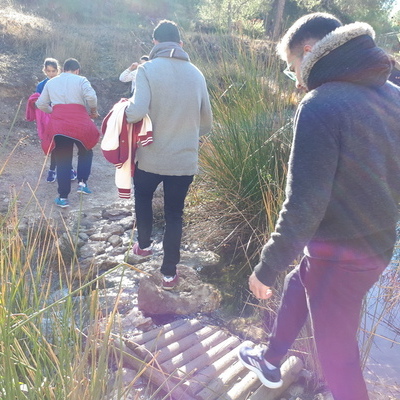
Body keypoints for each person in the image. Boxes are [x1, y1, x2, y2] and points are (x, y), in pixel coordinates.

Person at [237, 12, 400, 400]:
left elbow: (304, 205)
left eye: (292, 66)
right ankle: (271, 360)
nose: (294, 78)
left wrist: (266, 266)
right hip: (377, 248)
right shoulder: (392, 94)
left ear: (309, 51)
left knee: (336, 357)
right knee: (301, 279)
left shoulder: (319, 104)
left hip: (339, 258)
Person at [125, 20, 213, 290]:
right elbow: (207, 124)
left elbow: (136, 111)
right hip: (184, 160)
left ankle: (143, 245)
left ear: (154, 43)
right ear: (181, 44)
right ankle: (169, 274)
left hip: (151, 156)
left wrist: (123, 111)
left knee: (143, 195)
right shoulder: (197, 74)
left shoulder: (147, 69)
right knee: (175, 214)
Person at [36, 58, 100, 208]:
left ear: (63, 69)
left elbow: (40, 104)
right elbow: (91, 97)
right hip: (80, 122)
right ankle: (82, 184)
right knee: (86, 151)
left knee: (63, 160)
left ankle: (63, 197)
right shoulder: (81, 79)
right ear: (77, 70)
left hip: (59, 125)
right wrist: (93, 111)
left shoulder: (51, 82)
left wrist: (54, 111)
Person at [34, 58, 77, 183]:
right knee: (54, 145)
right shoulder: (41, 85)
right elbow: (38, 102)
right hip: (49, 119)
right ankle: (54, 170)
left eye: (53, 71)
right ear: (45, 70)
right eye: (48, 71)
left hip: (65, 118)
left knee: (65, 144)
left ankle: (65, 169)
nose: (51, 73)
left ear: (59, 70)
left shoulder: (63, 82)